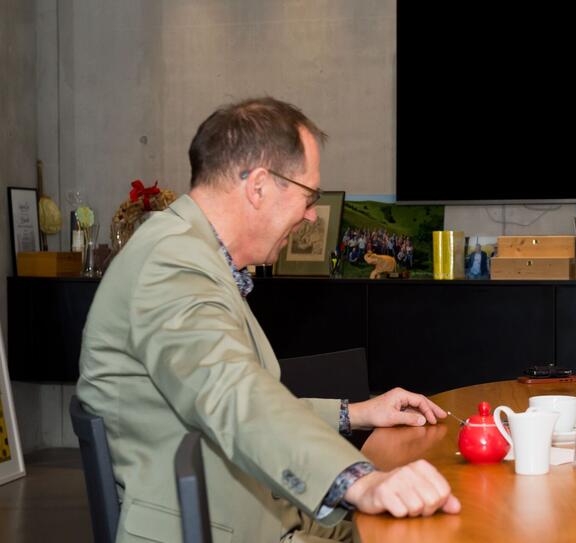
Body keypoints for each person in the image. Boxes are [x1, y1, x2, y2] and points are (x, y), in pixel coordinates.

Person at [76, 97, 459, 543]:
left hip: (259, 512)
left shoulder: (192, 254)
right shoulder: (170, 262)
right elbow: (233, 395)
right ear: (259, 186)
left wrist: (357, 414)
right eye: (309, 196)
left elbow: (237, 400)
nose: (312, 214)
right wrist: (360, 480)